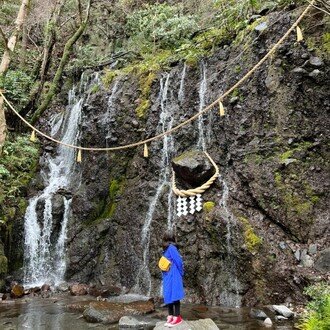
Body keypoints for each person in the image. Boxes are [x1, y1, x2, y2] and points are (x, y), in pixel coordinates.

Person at [161, 231, 185, 327]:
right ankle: (177, 317)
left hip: (166, 275)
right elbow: (178, 261)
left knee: (169, 295)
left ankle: (170, 316)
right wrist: (181, 272)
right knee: (175, 296)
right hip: (173, 274)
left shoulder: (165, 248)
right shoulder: (172, 248)